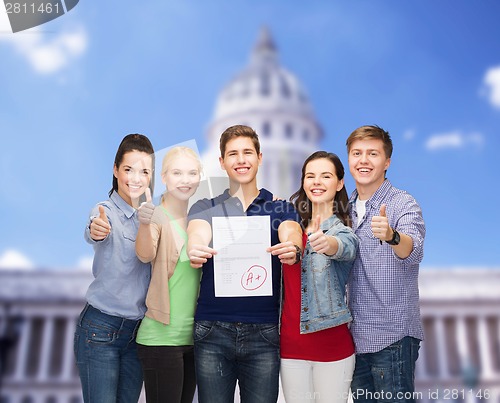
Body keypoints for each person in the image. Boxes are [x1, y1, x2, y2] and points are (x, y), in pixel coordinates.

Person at [187, 124, 303, 403]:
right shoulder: (205, 205)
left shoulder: (280, 207)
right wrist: (195, 246)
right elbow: (198, 231)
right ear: (222, 162)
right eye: (233, 154)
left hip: (263, 332)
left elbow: (291, 231)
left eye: (248, 152)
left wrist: (293, 246)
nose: (241, 160)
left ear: (260, 158)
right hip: (212, 329)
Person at [345, 125, 426, 403]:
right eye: (357, 153)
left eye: (373, 153)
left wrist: (392, 236)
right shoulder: (344, 208)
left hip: (392, 336)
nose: (363, 160)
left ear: (387, 161)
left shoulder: (402, 203)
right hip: (354, 337)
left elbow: (412, 249)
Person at [74, 133, 155, 403]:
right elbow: (94, 230)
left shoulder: (151, 217)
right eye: (128, 169)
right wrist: (95, 230)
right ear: (115, 170)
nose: (136, 178)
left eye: (144, 171)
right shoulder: (104, 211)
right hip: (100, 329)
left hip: (136, 334)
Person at [280, 151, 358, 403]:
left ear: (339, 183)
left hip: (333, 348)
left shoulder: (342, 231)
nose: (317, 182)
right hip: (290, 348)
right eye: (310, 176)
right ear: (303, 181)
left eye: (326, 176)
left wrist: (327, 243)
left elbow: (345, 247)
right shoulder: (289, 228)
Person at [134, 146, 203, 403]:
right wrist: (144, 222)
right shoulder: (156, 216)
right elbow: (144, 253)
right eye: (177, 173)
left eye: (191, 173)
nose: (185, 180)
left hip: (193, 338)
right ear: (163, 177)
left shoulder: (199, 219)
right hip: (161, 337)